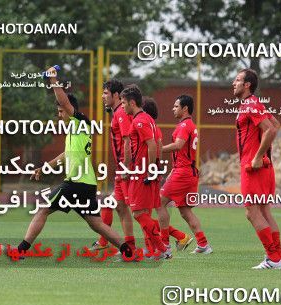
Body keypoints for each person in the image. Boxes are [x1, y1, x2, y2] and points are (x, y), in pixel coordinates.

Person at [16, 66, 130, 257]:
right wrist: (44, 168)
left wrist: (53, 79)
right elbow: (66, 155)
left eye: (61, 111)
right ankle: (128, 250)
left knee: (43, 209)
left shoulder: (80, 121)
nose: (59, 115)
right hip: (86, 183)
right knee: (96, 223)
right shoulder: (75, 130)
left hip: (76, 183)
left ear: (70, 109)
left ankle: (20, 250)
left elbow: (63, 99)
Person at [232, 69, 281, 269]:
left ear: (247, 85)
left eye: (237, 80)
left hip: (253, 168)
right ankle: (277, 258)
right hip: (263, 167)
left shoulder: (250, 105)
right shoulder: (253, 104)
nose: (233, 83)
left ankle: (273, 258)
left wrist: (257, 157)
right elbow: (276, 124)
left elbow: (271, 129)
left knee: (252, 212)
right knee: (262, 210)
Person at [120, 85, 170, 259]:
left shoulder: (139, 121)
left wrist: (149, 170)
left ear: (132, 103)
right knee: (144, 213)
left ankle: (163, 248)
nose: (122, 106)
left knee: (138, 213)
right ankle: (159, 249)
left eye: (124, 102)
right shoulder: (149, 119)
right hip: (143, 171)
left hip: (143, 173)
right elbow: (158, 145)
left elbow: (152, 145)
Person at [160, 95, 209, 254]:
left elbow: (178, 145)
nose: (173, 109)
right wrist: (173, 170)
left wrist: (158, 149)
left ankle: (164, 244)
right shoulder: (191, 125)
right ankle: (203, 244)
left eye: (176, 106)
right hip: (187, 171)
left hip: (183, 172)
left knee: (158, 203)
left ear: (185, 108)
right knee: (185, 211)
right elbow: (184, 152)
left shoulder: (183, 125)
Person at [89, 79, 135, 253]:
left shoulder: (121, 114)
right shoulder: (117, 112)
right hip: (123, 168)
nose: (102, 96)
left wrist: (125, 167)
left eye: (106, 93)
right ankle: (109, 242)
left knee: (140, 212)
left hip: (127, 168)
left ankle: (166, 243)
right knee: (115, 205)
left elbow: (127, 141)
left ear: (116, 95)